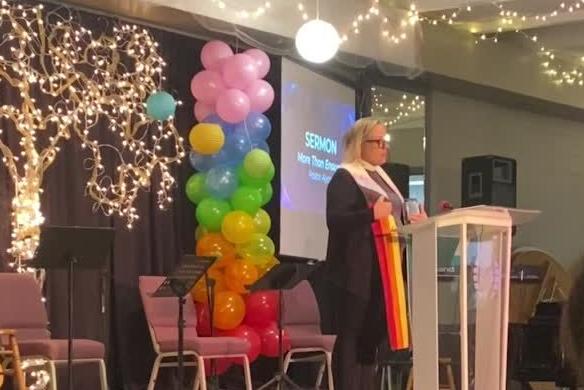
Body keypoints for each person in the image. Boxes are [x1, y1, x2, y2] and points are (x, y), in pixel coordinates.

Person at [325, 117, 425, 389]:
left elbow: (393, 218)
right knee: (351, 338)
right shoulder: (345, 176)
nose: (384, 147)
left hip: (383, 272)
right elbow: (335, 219)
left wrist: (417, 220)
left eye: (386, 142)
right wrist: (371, 214)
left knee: (371, 339)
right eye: (378, 142)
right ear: (361, 144)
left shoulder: (382, 177)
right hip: (355, 272)